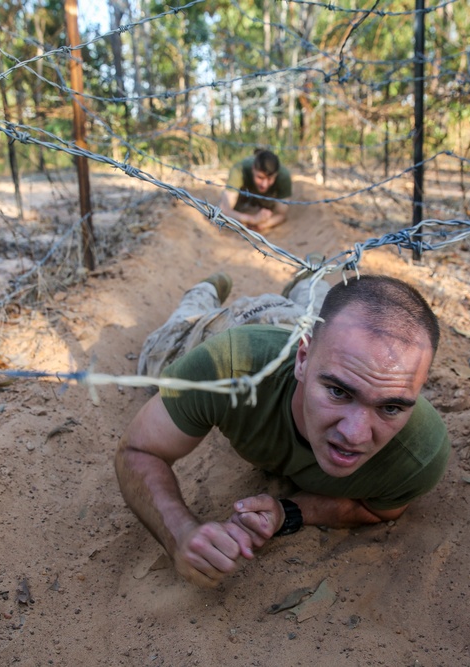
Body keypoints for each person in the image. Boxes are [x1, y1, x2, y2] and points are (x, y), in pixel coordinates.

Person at [116, 271, 450, 588]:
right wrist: (180, 533)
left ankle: (308, 283)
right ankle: (202, 293)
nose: (356, 434)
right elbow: (139, 450)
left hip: (317, 335)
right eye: (338, 392)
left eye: (390, 407)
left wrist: (288, 512)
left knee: (317, 313)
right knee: (158, 355)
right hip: (247, 323)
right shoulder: (228, 363)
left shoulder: (419, 455)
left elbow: (375, 509)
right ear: (302, 360)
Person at [218, 149, 292, 233]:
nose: (264, 184)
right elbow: (223, 209)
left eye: (270, 179)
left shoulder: (283, 175)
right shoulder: (239, 170)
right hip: (244, 195)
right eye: (260, 177)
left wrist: (264, 224)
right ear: (253, 169)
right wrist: (252, 220)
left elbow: (282, 214)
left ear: (276, 175)